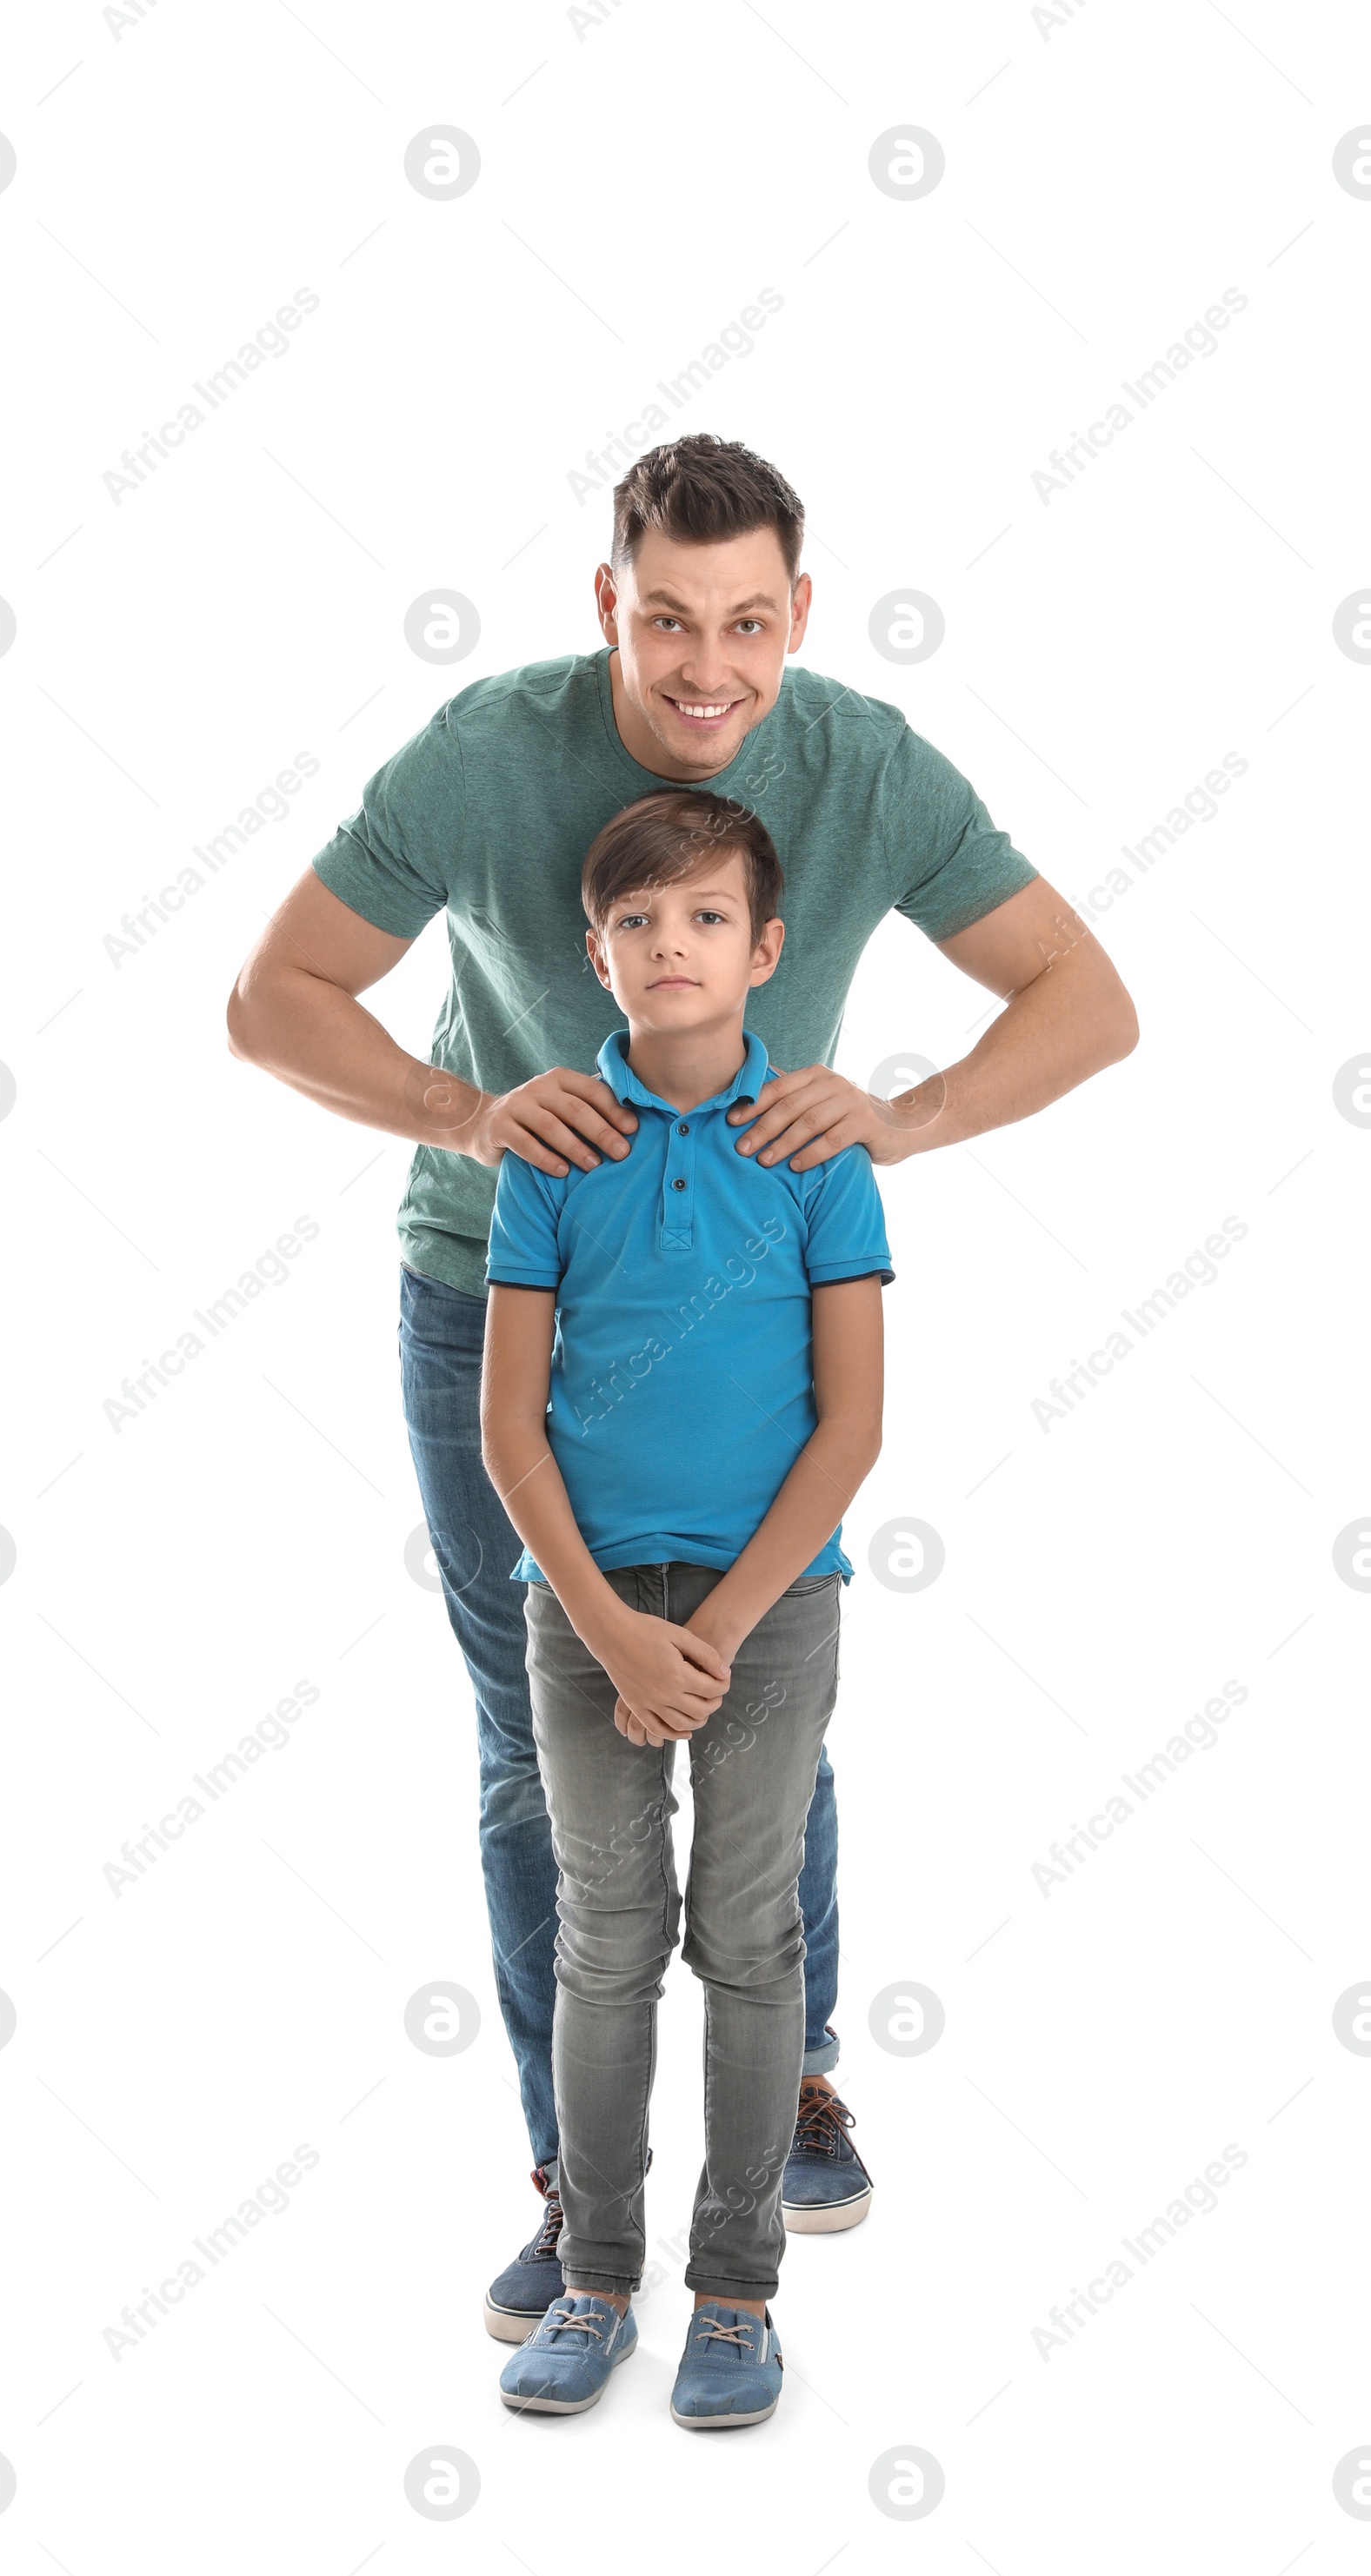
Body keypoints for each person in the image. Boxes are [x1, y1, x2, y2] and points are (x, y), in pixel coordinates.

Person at [226, 435, 1138, 2337]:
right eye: (663, 623)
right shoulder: (484, 752)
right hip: (500, 1297)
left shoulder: (865, 764)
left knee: (759, 1721)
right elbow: (275, 993)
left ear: (798, 613)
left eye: (745, 623)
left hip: (748, 1324)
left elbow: (1083, 995)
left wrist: (903, 1113)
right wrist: (460, 1109)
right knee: (532, 1743)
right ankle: (578, 2189)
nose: (704, 667)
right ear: (604, 607)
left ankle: (778, 2075)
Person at [483, 787, 890, 2424]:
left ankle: (736, 2293)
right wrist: (605, 1622)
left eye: (704, 917)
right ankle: (594, 2273)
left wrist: (719, 1628)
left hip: (770, 1612)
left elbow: (854, 1422)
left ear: (764, 948)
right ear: (594, 953)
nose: (671, 945)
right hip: (581, 1605)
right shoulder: (551, 1156)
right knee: (602, 1944)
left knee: (747, 1939)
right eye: (638, 923)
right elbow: (509, 1427)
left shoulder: (817, 1154)